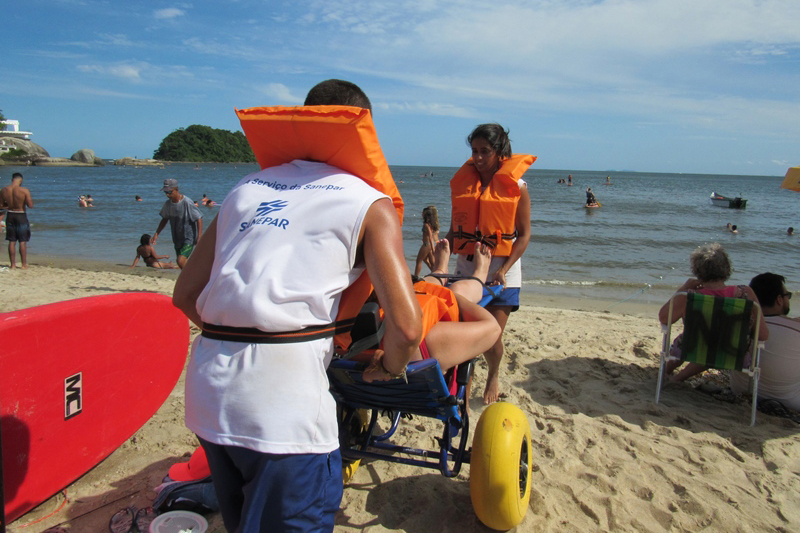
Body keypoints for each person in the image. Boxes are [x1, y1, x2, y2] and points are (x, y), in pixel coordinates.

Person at [172, 79, 422, 532]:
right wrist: (388, 368)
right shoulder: (369, 202)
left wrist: (240, 333)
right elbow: (406, 329)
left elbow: (185, 294)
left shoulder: (245, 188)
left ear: (306, 119)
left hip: (208, 395)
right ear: (363, 128)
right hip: (283, 410)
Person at [444, 123, 535, 404]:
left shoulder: (517, 187)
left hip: (502, 275)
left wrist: (503, 269)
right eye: (474, 151)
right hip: (467, 271)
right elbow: (454, 230)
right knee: (467, 339)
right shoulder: (465, 186)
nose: (478, 157)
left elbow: (524, 235)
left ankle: (493, 373)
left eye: (485, 151)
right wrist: (441, 251)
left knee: (491, 338)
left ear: (500, 151)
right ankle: (463, 394)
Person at [658, 243, 768, 382]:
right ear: (727, 268)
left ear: (697, 271)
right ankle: (678, 377)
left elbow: (664, 318)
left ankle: (665, 373)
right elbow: (763, 335)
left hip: (692, 349)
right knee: (716, 341)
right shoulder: (746, 294)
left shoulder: (688, 296)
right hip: (733, 354)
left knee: (688, 342)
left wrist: (683, 288)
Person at [728, 273, 800, 410]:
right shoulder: (796, 329)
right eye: (788, 295)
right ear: (779, 300)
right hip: (790, 401)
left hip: (741, 390)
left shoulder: (739, 325)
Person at [152, 179, 203, 269]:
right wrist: (156, 233)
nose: (167, 195)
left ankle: (190, 276)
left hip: (188, 237)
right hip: (177, 238)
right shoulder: (168, 204)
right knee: (181, 263)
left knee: (180, 260)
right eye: (165, 192)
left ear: (176, 189)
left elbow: (199, 217)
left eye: (169, 192)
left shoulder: (187, 202)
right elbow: (165, 219)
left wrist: (199, 236)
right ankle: (193, 274)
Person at [1, 173, 34, 269]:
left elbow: (1, 205)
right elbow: (30, 205)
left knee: (12, 241)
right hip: (21, 215)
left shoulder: (4, 190)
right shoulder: (24, 190)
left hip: (10, 215)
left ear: (12, 180)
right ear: (21, 180)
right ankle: (24, 265)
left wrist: (9, 205)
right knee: (22, 241)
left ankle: (13, 265)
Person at [413, 205, 439, 278]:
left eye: (423, 213)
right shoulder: (431, 224)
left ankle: (416, 276)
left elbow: (430, 236)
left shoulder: (426, 225)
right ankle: (434, 273)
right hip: (429, 244)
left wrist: (433, 248)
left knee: (418, 260)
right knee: (430, 261)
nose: (422, 214)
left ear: (426, 215)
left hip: (427, 244)